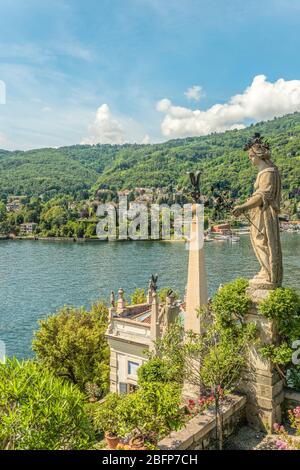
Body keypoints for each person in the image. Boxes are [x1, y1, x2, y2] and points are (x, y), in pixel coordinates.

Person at [233, 133, 282, 287]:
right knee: (260, 240)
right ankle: (265, 270)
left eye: (251, 155)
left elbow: (262, 196)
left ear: (258, 155)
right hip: (260, 212)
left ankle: (269, 273)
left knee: (262, 240)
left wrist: (242, 207)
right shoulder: (267, 171)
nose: (250, 159)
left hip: (264, 213)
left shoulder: (268, 173)